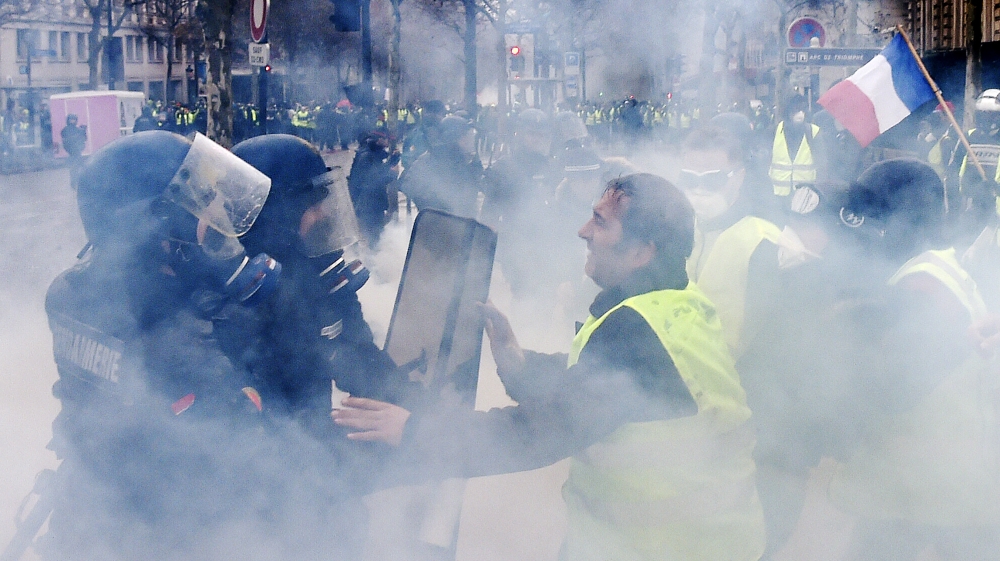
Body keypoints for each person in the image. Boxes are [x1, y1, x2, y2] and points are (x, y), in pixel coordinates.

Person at [333, 173, 767, 561]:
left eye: (600, 222)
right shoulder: (674, 301)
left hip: (666, 547)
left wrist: (415, 432)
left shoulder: (636, 331)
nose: (583, 231)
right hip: (700, 541)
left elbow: (539, 432)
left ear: (641, 252)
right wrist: (517, 363)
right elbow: (596, 389)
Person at [38, 131, 284, 561]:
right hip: (168, 529)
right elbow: (247, 448)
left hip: (87, 502)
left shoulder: (68, 290)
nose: (214, 217)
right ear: (152, 227)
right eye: (198, 206)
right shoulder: (176, 334)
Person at [228, 134, 416, 560]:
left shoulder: (314, 269)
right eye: (312, 203)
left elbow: (357, 354)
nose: (325, 212)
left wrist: (416, 413)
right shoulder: (233, 291)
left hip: (311, 453)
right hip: (260, 483)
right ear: (275, 210)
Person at [824, 159, 1000, 561]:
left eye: (868, 218)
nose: (859, 231)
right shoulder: (937, 264)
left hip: (927, 478)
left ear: (899, 222)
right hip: (940, 474)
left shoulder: (923, 285)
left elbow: (892, 389)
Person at [678, 126, 782, 358]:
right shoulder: (680, 227)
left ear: (738, 178)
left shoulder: (763, 240)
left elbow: (768, 331)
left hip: (734, 371)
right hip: (683, 364)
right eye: (689, 179)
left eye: (712, 180)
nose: (699, 190)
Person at [396, 115, 482, 218]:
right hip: (437, 222)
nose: (469, 140)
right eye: (465, 137)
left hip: (463, 221)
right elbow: (407, 184)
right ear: (453, 138)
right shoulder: (430, 159)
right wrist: (435, 203)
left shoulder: (466, 160)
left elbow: (474, 187)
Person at [348, 131, 401, 245]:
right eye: (386, 139)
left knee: (376, 236)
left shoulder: (372, 153)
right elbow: (372, 181)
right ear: (379, 139)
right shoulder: (367, 156)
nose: (388, 142)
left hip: (372, 203)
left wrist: (393, 160)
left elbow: (378, 171)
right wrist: (392, 174)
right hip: (368, 205)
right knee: (373, 238)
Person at [768, 95, 824, 197]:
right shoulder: (774, 131)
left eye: (803, 109)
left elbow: (822, 163)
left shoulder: (814, 132)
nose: (800, 114)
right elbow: (766, 160)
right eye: (797, 110)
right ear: (788, 112)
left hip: (805, 193)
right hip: (778, 193)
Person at [61, 114, 87, 188]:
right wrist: (79, 134)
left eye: (74, 119)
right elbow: (68, 140)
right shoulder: (65, 130)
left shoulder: (78, 129)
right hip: (72, 152)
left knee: (79, 167)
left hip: (78, 151)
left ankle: (79, 182)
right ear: (68, 120)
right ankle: (73, 183)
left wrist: (83, 131)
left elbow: (84, 139)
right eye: (71, 119)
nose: (73, 121)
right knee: (74, 168)